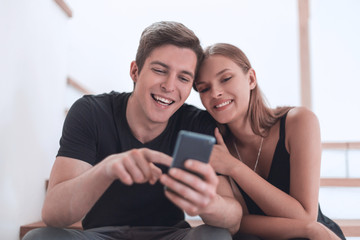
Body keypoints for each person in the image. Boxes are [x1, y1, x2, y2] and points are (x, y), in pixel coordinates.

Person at [23, 22, 242, 240]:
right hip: (101, 235)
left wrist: (209, 204)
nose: (169, 86)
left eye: (183, 78)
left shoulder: (197, 124)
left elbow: (233, 220)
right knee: (39, 237)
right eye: (159, 70)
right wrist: (106, 169)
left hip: (172, 235)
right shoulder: (91, 112)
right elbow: (53, 215)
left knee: (215, 234)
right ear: (135, 71)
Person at [194, 43, 346, 240]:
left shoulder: (299, 122)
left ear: (251, 79)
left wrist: (234, 167)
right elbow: (236, 224)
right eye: (204, 89)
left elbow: (306, 216)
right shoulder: (215, 146)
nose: (215, 93)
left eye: (226, 79)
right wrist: (308, 228)